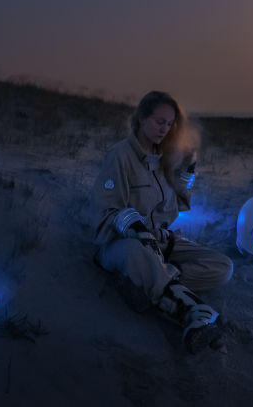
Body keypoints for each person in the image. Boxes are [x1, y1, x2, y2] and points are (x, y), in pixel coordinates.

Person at [92, 91, 233, 353]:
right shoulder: (120, 156)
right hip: (122, 244)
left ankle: (149, 283)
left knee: (222, 267)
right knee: (138, 254)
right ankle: (194, 314)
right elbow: (105, 214)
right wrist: (139, 232)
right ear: (141, 119)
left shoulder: (165, 159)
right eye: (159, 121)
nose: (164, 129)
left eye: (170, 124)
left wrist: (188, 169)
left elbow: (178, 204)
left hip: (159, 240)